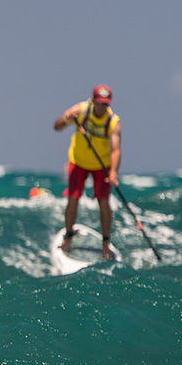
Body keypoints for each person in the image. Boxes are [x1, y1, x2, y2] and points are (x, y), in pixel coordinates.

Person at [53, 84, 122, 258]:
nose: (102, 107)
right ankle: (68, 237)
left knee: (104, 202)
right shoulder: (81, 110)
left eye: (106, 104)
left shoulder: (113, 122)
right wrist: (66, 119)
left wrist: (113, 171)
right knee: (73, 198)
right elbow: (57, 127)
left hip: (102, 165)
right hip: (79, 162)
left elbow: (116, 149)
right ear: (93, 101)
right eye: (99, 103)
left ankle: (106, 243)